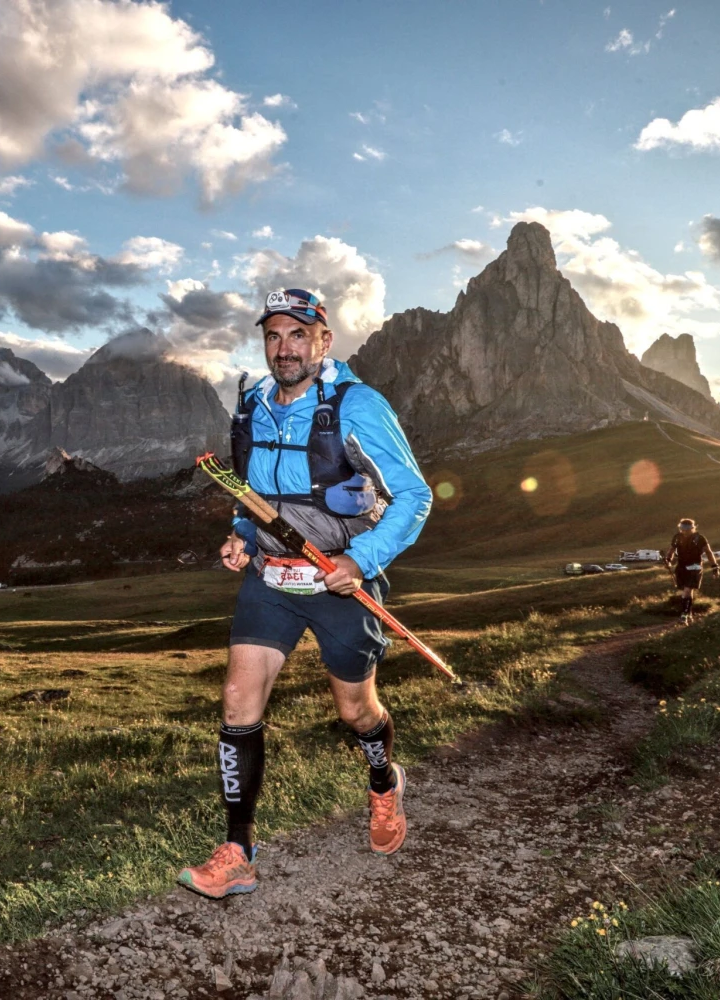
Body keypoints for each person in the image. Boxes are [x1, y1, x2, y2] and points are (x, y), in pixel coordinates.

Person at [177, 288, 432, 899]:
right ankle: (238, 850)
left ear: (324, 341)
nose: (283, 348)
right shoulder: (255, 405)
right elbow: (256, 497)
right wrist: (240, 536)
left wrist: (359, 559)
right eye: (273, 335)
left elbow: (415, 496)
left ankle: (382, 783)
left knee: (355, 711)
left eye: (298, 334)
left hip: (339, 583)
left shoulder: (359, 405)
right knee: (239, 700)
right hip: (270, 577)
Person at [663, 517, 718, 622]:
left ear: (693, 528)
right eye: (682, 529)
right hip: (681, 567)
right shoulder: (677, 537)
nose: (684, 532)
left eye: (687, 530)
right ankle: (690, 614)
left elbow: (709, 552)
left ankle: (684, 615)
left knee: (687, 590)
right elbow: (672, 550)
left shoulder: (700, 538)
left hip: (695, 566)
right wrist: (668, 560)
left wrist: (714, 567)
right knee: (686, 590)